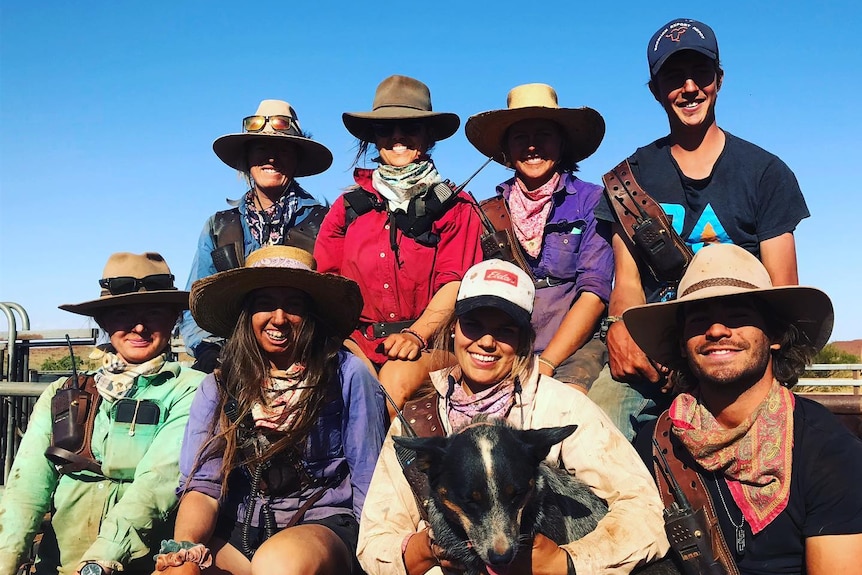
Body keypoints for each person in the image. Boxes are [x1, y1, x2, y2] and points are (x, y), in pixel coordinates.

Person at [357, 259, 670, 575]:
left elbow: (644, 511)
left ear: (524, 339)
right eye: (473, 325)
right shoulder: (415, 422)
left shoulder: (560, 405)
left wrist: (566, 561)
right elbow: (374, 544)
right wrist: (432, 548)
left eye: (505, 330)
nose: (487, 341)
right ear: (454, 328)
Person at [590, 18, 810, 441]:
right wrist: (620, 326)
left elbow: (782, 288)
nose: (689, 87)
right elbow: (628, 283)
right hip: (662, 350)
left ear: (719, 81)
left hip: (736, 343)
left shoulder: (766, 173)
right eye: (673, 76)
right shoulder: (627, 179)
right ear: (655, 90)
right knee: (604, 414)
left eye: (700, 74)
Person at [623, 243, 862, 573]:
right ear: (682, 343)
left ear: (774, 335)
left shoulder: (826, 448)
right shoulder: (656, 444)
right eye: (699, 319)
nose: (717, 330)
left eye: (737, 315)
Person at [158, 245, 387, 575]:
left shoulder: (346, 374)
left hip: (322, 526)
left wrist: (373, 556)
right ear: (247, 314)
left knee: (279, 564)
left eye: (293, 306)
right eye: (265, 305)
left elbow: (368, 475)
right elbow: (203, 486)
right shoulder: (218, 386)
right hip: (241, 530)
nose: (279, 319)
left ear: (310, 315)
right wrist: (184, 549)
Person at [0, 252, 204, 575]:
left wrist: (99, 561)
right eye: (123, 313)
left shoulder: (192, 392)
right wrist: (6, 560)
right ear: (104, 322)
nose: (139, 326)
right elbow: (26, 489)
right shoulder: (62, 393)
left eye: (153, 311)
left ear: (173, 319)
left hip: (138, 567)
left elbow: (155, 486)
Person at [315, 74, 483, 417]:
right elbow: (327, 284)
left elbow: (455, 282)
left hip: (432, 345)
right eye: (385, 129)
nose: (396, 138)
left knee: (391, 388)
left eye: (410, 128)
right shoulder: (345, 208)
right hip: (356, 343)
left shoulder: (458, 206)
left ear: (428, 137)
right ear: (374, 139)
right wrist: (348, 344)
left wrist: (416, 336)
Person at [465, 83, 613, 392]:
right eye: (521, 137)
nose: (532, 147)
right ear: (506, 149)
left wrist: (546, 365)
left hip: (576, 350)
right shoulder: (486, 213)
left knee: (566, 407)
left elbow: (594, 294)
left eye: (543, 135)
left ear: (562, 143)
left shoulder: (592, 201)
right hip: (506, 348)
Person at [181, 99, 333, 373]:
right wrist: (207, 351)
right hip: (232, 359)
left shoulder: (326, 221)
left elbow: (336, 302)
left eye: (282, 149)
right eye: (261, 148)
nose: (271, 158)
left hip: (307, 359)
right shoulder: (217, 226)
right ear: (247, 160)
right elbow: (195, 302)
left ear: (297, 158)